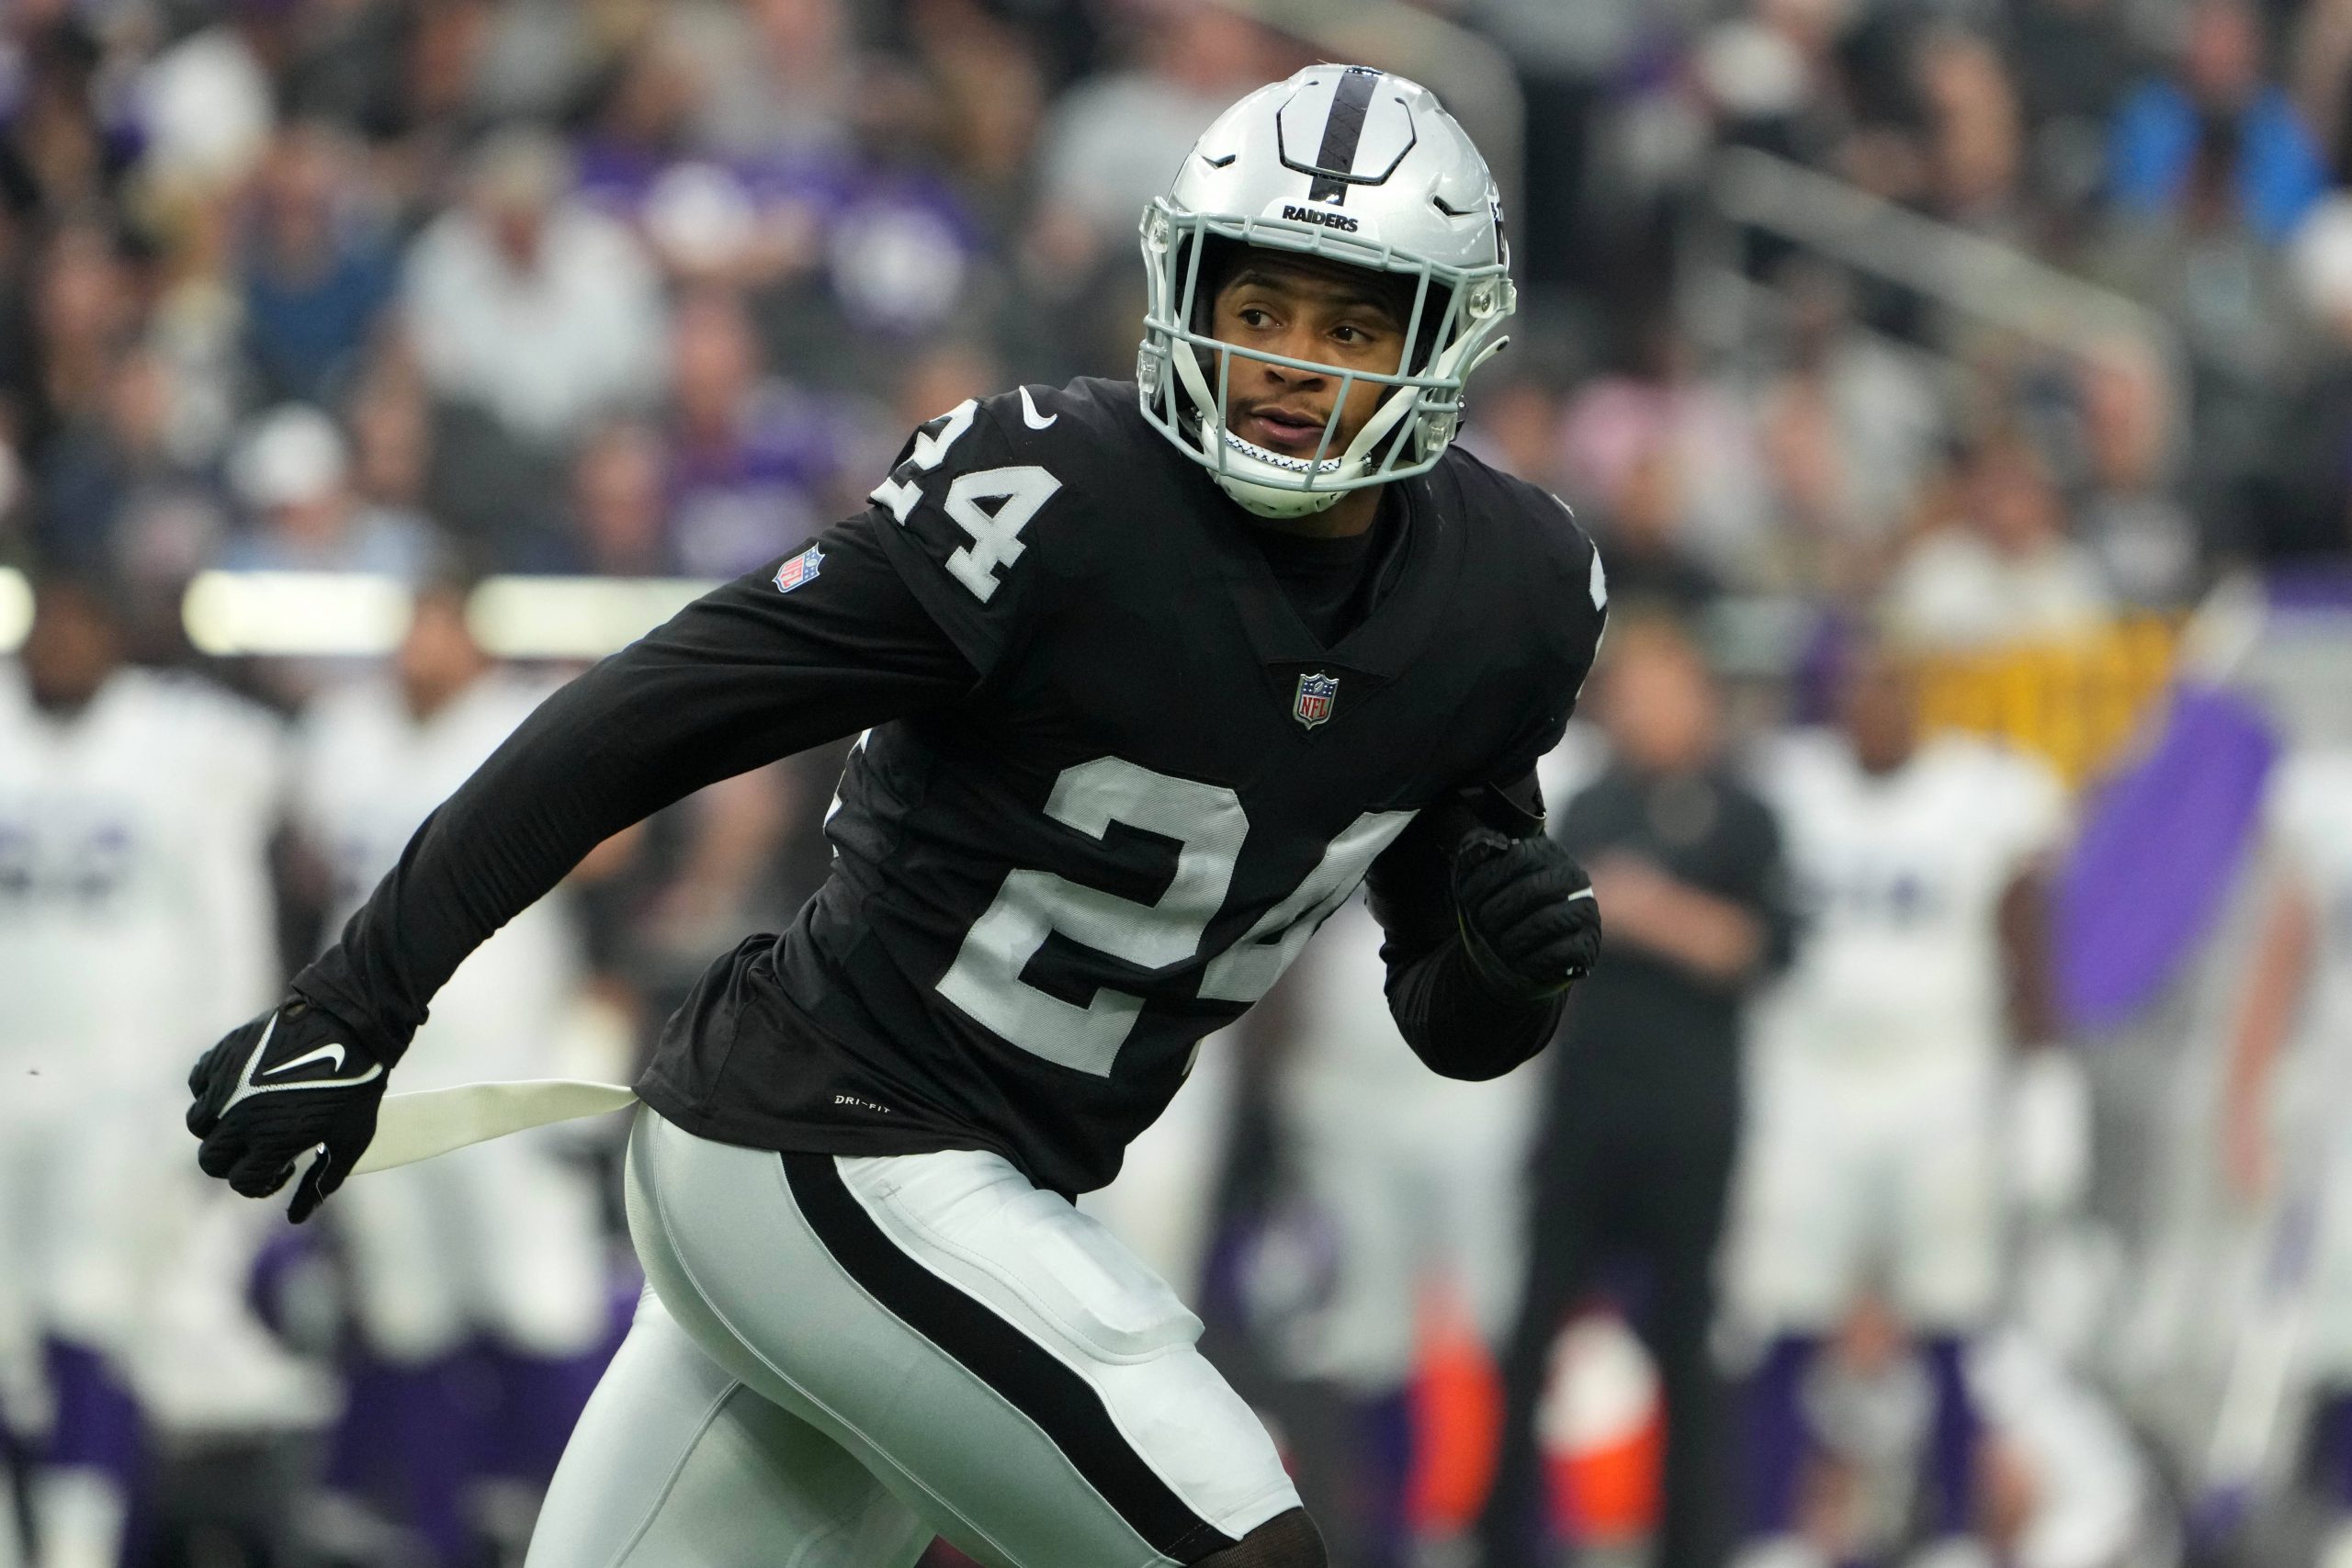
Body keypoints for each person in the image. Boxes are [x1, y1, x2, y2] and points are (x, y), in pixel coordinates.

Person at [184, 66, 1608, 1568]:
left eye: (1348, 323)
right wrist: (363, 992)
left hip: (942, 1196)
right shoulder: (1052, 496)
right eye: (1259, 310)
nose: (1290, 365)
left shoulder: (1506, 595)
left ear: (1443, 341)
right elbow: (651, 716)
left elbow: (1450, 1016)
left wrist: (1511, 965)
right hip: (827, 1144)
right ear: (1186, 291)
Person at [288, 577, 617, 1566]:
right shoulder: (340, 732)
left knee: (539, 1302)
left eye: (442, 624)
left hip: (503, 1068)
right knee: (407, 1312)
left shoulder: (521, 719)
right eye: (413, 624)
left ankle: (585, 1538)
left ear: (475, 636)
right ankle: (440, 1536)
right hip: (382, 1078)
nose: (422, 645)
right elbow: (313, 871)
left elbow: (613, 850)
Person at [1735, 638, 2070, 1568]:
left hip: (1940, 1081)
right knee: (1783, 1307)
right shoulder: (1784, 785)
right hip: (1805, 1080)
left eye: (1893, 687)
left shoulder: (1984, 795)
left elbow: (2024, 934)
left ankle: (1955, 1534)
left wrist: (2046, 1081)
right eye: (1858, 686)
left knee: (1948, 1311)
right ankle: (1773, 1534)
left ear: (1922, 699)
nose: (1875, 705)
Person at [0, 572, 312, 1568]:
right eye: (46, 622)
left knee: (90, 1313)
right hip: (8, 1086)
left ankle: (81, 1550)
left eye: (79, 621)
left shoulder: (181, 746)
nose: (58, 644)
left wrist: (228, 1073)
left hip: (119, 1093)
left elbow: (228, 931)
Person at [1477, 615, 1794, 1568]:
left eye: (1667, 688)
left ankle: (1690, 1546)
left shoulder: (1744, 812)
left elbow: (1763, 948)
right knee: (1529, 1336)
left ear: (1701, 698)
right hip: (1581, 1114)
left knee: (1688, 1351)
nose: (1649, 710)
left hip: (1689, 1124)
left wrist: (1648, 912)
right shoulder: (1586, 806)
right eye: (1633, 692)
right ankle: (1503, 1541)